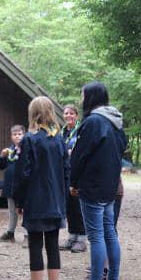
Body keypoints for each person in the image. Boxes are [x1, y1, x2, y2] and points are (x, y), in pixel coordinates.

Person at [9, 96, 69, 280]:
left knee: (35, 245)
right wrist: (62, 200)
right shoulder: (58, 139)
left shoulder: (29, 140)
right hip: (55, 202)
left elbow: (22, 174)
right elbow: (66, 172)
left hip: (36, 201)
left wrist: (19, 200)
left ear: (32, 114)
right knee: (53, 246)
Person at [68, 82, 126, 280]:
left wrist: (73, 182)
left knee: (96, 235)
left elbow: (79, 155)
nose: (81, 100)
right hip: (110, 186)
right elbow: (123, 147)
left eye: (83, 95)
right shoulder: (116, 121)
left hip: (92, 186)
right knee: (109, 232)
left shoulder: (92, 121)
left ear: (91, 97)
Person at [60, 104, 87, 253]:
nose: (68, 116)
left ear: (76, 116)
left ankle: (82, 239)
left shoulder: (81, 131)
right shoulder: (62, 132)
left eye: (71, 113)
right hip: (65, 172)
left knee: (78, 205)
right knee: (69, 206)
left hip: (78, 172)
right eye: (66, 113)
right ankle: (72, 236)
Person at [0, 125, 26, 244]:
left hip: (23, 186)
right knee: (12, 211)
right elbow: (0, 166)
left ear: (24, 135)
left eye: (19, 134)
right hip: (10, 186)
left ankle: (27, 234)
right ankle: (10, 233)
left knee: (25, 211)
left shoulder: (26, 149)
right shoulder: (9, 150)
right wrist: (2, 156)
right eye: (14, 134)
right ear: (11, 136)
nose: (17, 136)